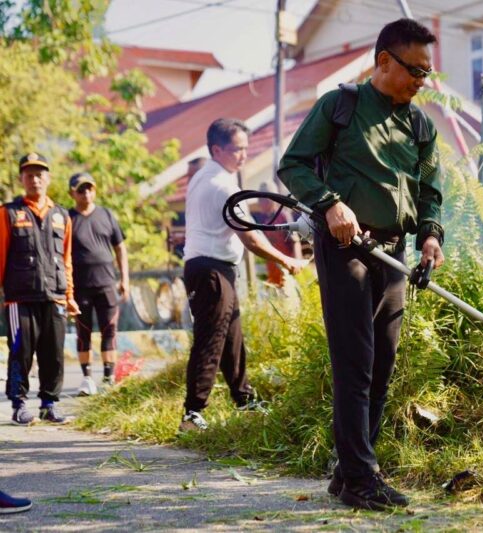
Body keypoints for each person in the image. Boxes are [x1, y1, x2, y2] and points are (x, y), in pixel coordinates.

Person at [278, 18, 445, 511]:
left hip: (392, 253)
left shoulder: (420, 126)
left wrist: (431, 236)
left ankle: (349, 469)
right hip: (346, 250)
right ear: (384, 62)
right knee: (355, 364)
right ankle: (361, 478)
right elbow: (292, 165)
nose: (422, 81)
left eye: (427, 73)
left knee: (382, 364)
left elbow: (431, 193)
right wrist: (329, 204)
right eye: (415, 70)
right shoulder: (341, 106)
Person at [179, 118, 308, 433]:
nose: (244, 155)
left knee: (231, 335)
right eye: (237, 149)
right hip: (210, 270)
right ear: (217, 149)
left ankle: (245, 400)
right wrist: (287, 261)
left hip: (213, 268)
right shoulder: (222, 186)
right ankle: (192, 414)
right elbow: (250, 238)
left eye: (246, 148)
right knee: (211, 339)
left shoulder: (201, 177)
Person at [1, 153, 80, 425]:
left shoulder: (62, 216)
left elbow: (66, 260)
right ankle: (19, 405)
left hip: (55, 296)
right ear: (21, 179)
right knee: (21, 352)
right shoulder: (8, 213)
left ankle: (49, 404)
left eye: (39, 174)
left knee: (53, 353)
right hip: (20, 298)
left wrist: (69, 296)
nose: (35, 179)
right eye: (29, 174)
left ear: (48, 178)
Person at [68, 172, 129, 396]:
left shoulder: (107, 215)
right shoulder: (66, 218)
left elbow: (120, 248)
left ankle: (108, 377)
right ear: (72, 193)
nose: (86, 193)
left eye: (89, 188)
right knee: (83, 332)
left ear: (94, 190)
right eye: (81, 189)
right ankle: (86, 378)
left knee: (109, 330)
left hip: (106, 284)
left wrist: (125, 279)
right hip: (80, 287)